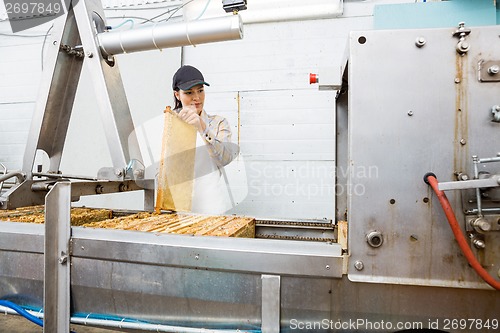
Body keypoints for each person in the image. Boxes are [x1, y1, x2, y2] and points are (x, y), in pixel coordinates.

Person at [171, 65, 238, 214]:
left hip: (211, 208)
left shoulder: (219, 123)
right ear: (177, 95)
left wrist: (202, 127)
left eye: (200, 90)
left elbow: (224, 158)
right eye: (189, 92)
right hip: (177, 211)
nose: (197, 98)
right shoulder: (168, 124)